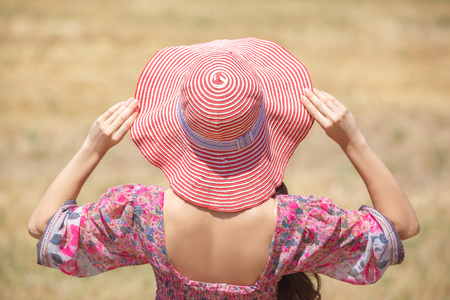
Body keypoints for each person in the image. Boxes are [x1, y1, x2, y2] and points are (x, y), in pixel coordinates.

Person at [28, 38, 419, 300]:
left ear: (176, 131)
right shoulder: (296, 224)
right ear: (269, 125)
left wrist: (92, 148)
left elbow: (45, 228)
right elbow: (400, 226)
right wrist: (354, 142)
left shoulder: (140, 215)